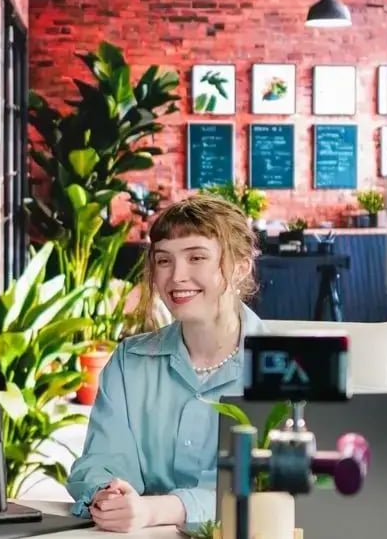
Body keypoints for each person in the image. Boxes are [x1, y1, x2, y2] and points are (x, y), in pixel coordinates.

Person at [65, 194, 268, 532]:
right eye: (163, 261)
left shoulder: (286, 367)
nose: (176, 277)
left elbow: (266, 486)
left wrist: (159, 509)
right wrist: (108, 494)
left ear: (240, 266)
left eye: (197, 257)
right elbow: (102, 459)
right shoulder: (130, 362)